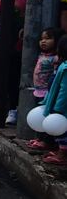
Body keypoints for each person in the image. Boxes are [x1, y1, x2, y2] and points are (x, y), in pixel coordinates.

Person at [27, 27, 63, 152]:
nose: (43, 41)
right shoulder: (41, 54)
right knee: (39, 116)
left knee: (46, 116)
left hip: (48, 93)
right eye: (42, 39)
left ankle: (47, 141)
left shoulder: (56, 58)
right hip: (38, 90)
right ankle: (40, 138)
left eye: (48, 38)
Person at [40, 35, 67, 167]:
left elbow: (64, 90)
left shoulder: (65, 67)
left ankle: (62, 156)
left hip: (63, 107)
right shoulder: (64, 65)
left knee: (63, 131)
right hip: (60, 104)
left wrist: (58, 108)